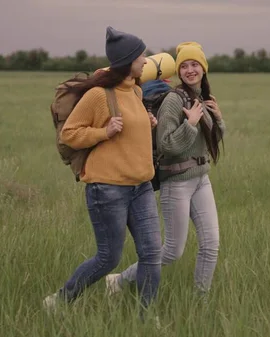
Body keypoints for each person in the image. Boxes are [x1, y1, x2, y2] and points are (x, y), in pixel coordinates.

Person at [43, 26, 162, 316]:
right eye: (141, 56)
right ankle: (59, 301)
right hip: (108, 189)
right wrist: (103, 132)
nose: (146, 61)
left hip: (141, 187)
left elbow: (130, 128)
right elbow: (70, 134)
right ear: (128, 60)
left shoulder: (134, 89)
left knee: (152, 254)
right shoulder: (98, 95)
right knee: (109, 258)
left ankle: (146, 317)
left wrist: (146, 121)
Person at [106, 41, 225, 297]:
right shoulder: (174, 99)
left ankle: (200, 301)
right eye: (185, 66)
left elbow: (211, 139)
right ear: (178, 72)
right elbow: (166, 144)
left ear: (204, 68)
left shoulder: (203, 98)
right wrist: (191, 124)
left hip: (201, 179)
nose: (190, 70)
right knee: (172, 251)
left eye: (195, 64)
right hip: (177, 182)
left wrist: (217, 118)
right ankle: (118, 281)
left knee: (211, 245)